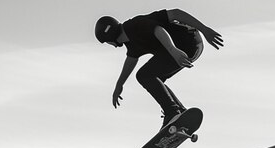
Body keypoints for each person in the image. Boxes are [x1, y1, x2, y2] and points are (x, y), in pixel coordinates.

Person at [95, 8, 223, 127]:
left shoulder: (134, 25)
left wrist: (204, 30)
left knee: (144, 75)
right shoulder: (132, 44)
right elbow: (130, 61)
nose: (110, 45)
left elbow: (168, 21)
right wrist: (119, 84)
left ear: (109, 35)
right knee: (154, 79)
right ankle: (179, 114)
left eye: (107, 42)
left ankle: (172, 112)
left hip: (187, 42)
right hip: (188, 48)